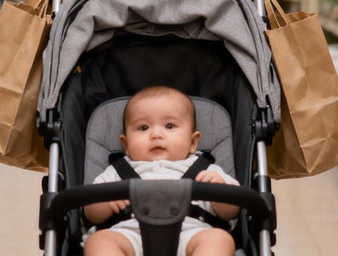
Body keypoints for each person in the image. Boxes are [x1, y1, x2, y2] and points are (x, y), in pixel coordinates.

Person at [83, 86, 239, 256]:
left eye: (169, 126)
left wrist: (219, 192)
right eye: (144, 128)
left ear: (193, 142)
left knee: (219, 239)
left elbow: (233, 210)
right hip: (129, 235)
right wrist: (104, 203)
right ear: (126, 145)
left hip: (190, 234)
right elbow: (90, 213)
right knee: (99, 241)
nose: (156, 134)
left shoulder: (205, 170)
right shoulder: (116, 172)